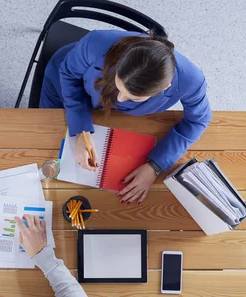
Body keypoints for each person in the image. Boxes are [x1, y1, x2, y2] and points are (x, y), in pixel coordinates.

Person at [40, 30, 212, 204]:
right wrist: (80, 130)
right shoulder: (95, 43)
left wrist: (155, 166)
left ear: (164, 88)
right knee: (44, 142)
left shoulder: (191, 80)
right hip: (65, 91)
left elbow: (198, 120)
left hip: (118, 118)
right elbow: (68, 75)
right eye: (119, 85)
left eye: (132, 97)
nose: (119, 99)